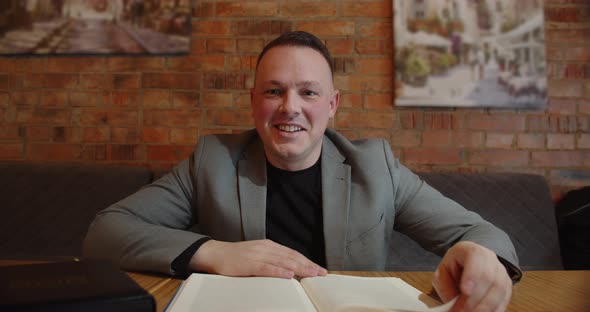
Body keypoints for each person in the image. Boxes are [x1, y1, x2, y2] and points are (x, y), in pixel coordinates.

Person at [84, 31, 521, 311]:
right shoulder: (212, 160)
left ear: (332, 106)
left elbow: (485, 235)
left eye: (308, 92)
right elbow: (105, 232)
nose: (290, 107)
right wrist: (215, 252)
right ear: (254, 102)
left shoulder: (376, 166)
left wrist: (485, 260)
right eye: (274, 91)